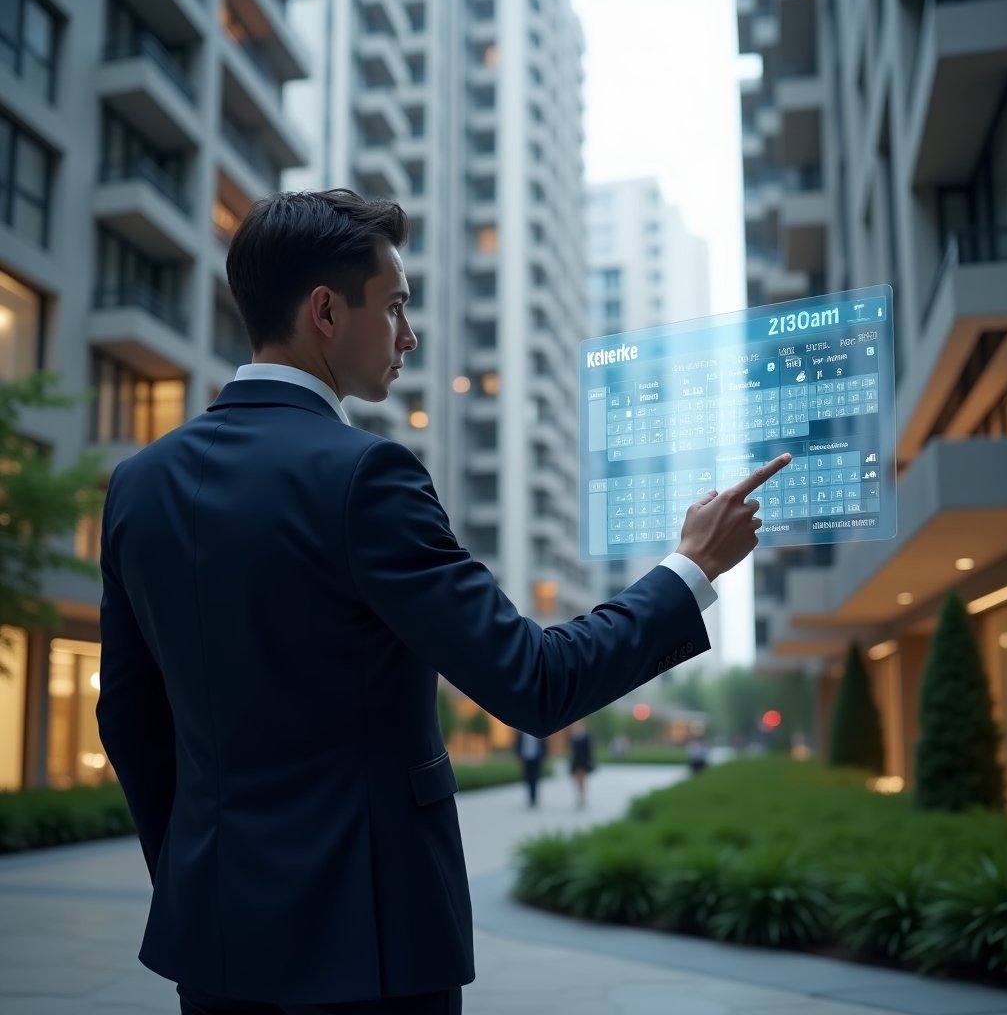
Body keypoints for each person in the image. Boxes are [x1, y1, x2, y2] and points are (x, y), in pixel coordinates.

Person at [96, 188, 791, 1015]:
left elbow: (127, 718)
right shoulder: (364, 476)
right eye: (394, 306)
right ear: (326, 311)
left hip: (210, 943)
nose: (409, 335)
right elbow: (535, 681)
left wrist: (193, 876)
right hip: (371, 948)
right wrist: (691, 569)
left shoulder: (137, 485)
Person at [514, 730, 547, 808]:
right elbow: (517, 745)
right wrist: (518, 757)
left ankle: (534, 799)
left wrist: (544, 758)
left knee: (535, 779)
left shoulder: (538, 732)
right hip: (525, 759)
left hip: (536, 759)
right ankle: (530, 798)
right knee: (527, 779)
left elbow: (544, 745)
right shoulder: (521, 733)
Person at [568, 721, 595, 808]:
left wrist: (591, 761)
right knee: (577, 781)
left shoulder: (586, 737)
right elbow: (571, 751)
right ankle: (580, 796)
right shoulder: (573, 737)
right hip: (575, 762)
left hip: (583, 762)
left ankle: (582, 797)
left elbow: (589, 750)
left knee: (582, 780)